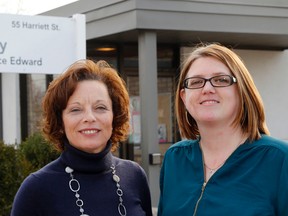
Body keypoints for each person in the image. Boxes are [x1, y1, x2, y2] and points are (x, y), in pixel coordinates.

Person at [158, 43, 288, 216]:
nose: (207, 89)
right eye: (196, 82)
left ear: (242, 90)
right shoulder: (175, 159)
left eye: (220, 80)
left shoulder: (279, 159)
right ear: (184, 97)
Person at [11, 59, 153, 216]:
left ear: (115, 115)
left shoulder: (134, 176)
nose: (89, 117)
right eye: (76, 109)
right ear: (61, 121)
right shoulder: (36, 189)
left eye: (100, 107)